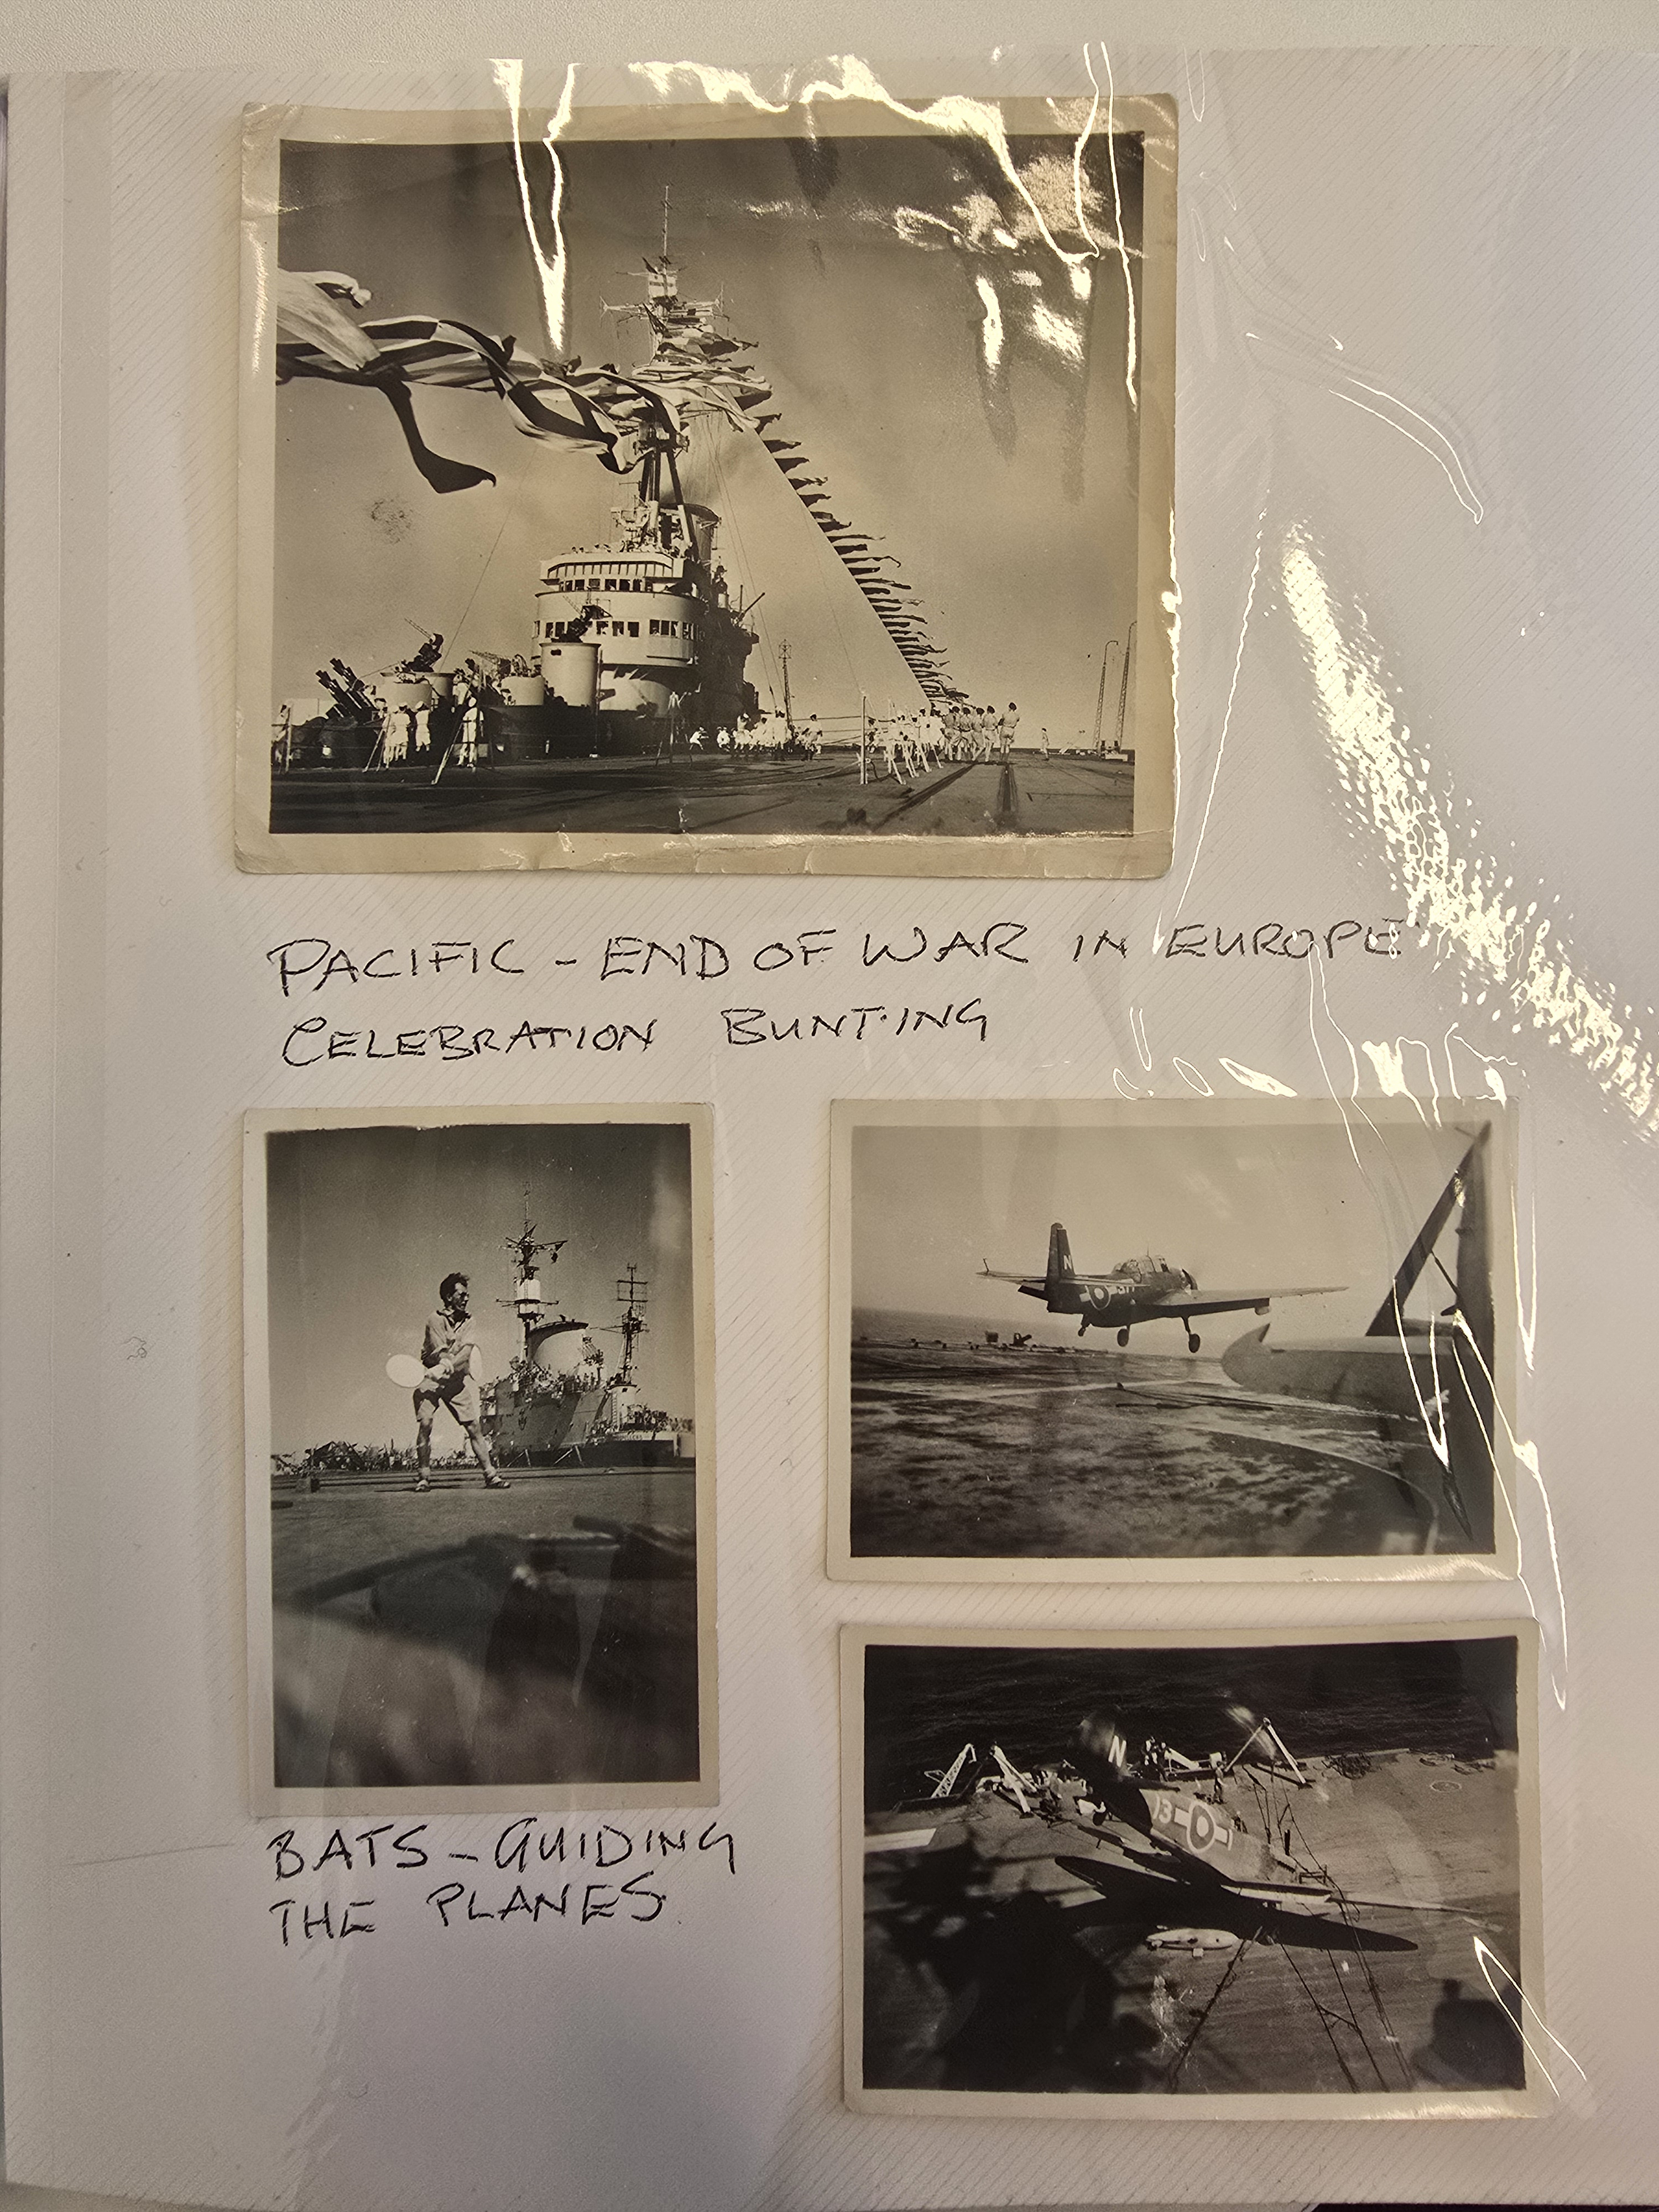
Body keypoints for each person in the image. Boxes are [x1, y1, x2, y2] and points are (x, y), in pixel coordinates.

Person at [411, 1271, 510, 1490]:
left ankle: (491, 1475)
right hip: (430, 1380)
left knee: (474, 1428)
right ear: (448, 1297)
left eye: (467, 1295)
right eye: (462, 1295)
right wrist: (441, 1364)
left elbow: (467, 1352)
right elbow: (439, 1352)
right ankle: (423, 1478)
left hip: (455, 1382)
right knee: (426, 1423)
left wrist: (449, 1366)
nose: (466, 1299)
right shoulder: (434, 1320)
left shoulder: (471, 1321)